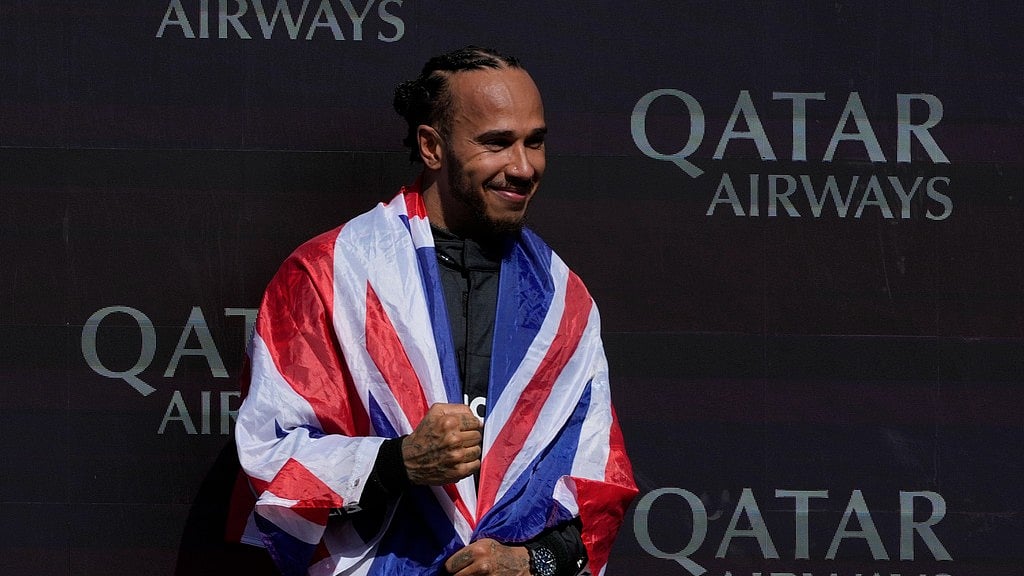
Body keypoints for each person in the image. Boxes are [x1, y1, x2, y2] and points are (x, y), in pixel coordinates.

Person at [233, 45, 637, 576]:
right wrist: (397, 462)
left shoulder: (565, 301)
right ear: (431, 146)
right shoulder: (329, 275)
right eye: (497, 143)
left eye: (534, 141)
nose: (523, 167)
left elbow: (598, 490)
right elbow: (269, 458)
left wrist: (529, 561)